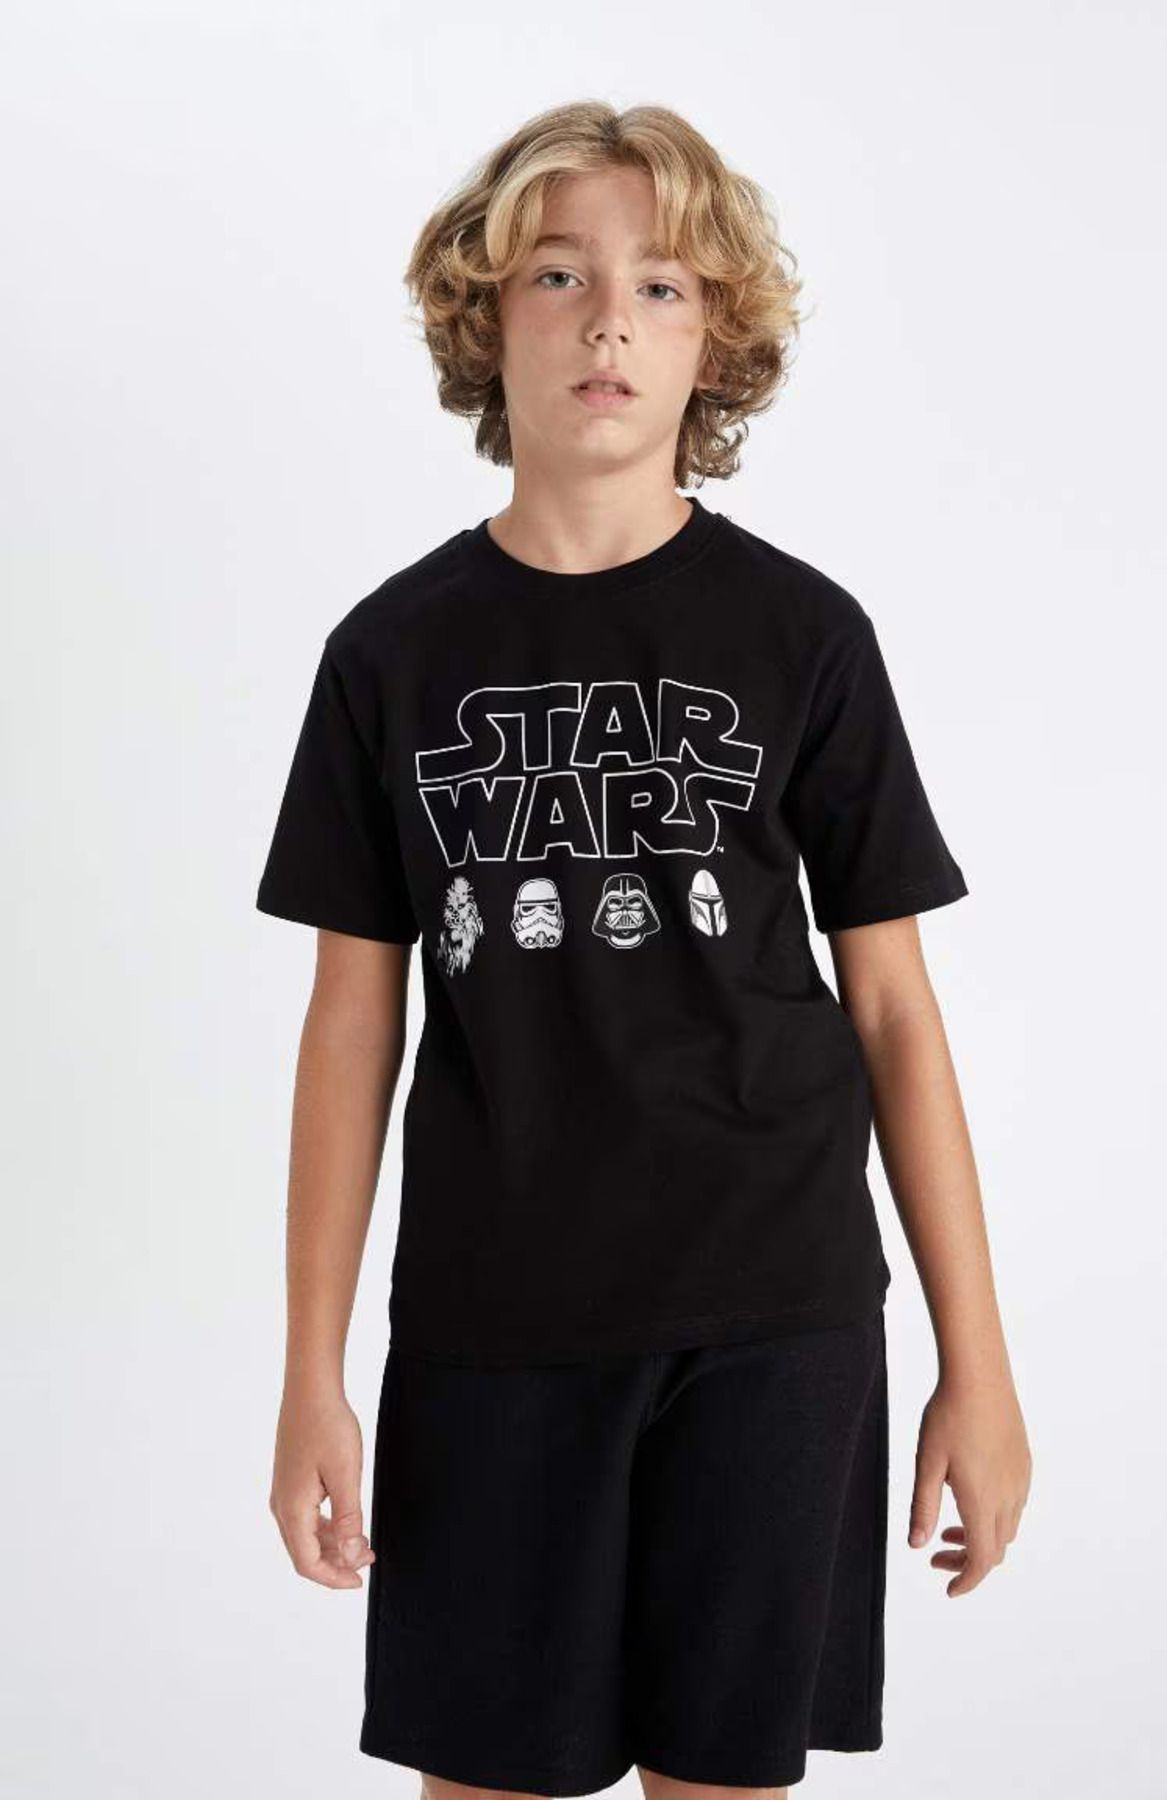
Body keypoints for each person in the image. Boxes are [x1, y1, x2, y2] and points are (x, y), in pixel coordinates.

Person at [257, 99, 1032, 1799]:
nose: (610, 318)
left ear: (714, 345)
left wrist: (978, 1367)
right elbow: (349, 1027)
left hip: (774, 1313)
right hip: (492, 1322)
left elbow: (896, 1013)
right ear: (485, 321)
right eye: (560, 274)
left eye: (662, 286)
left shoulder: (804, 634)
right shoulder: (389, 655)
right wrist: (312, 1373)